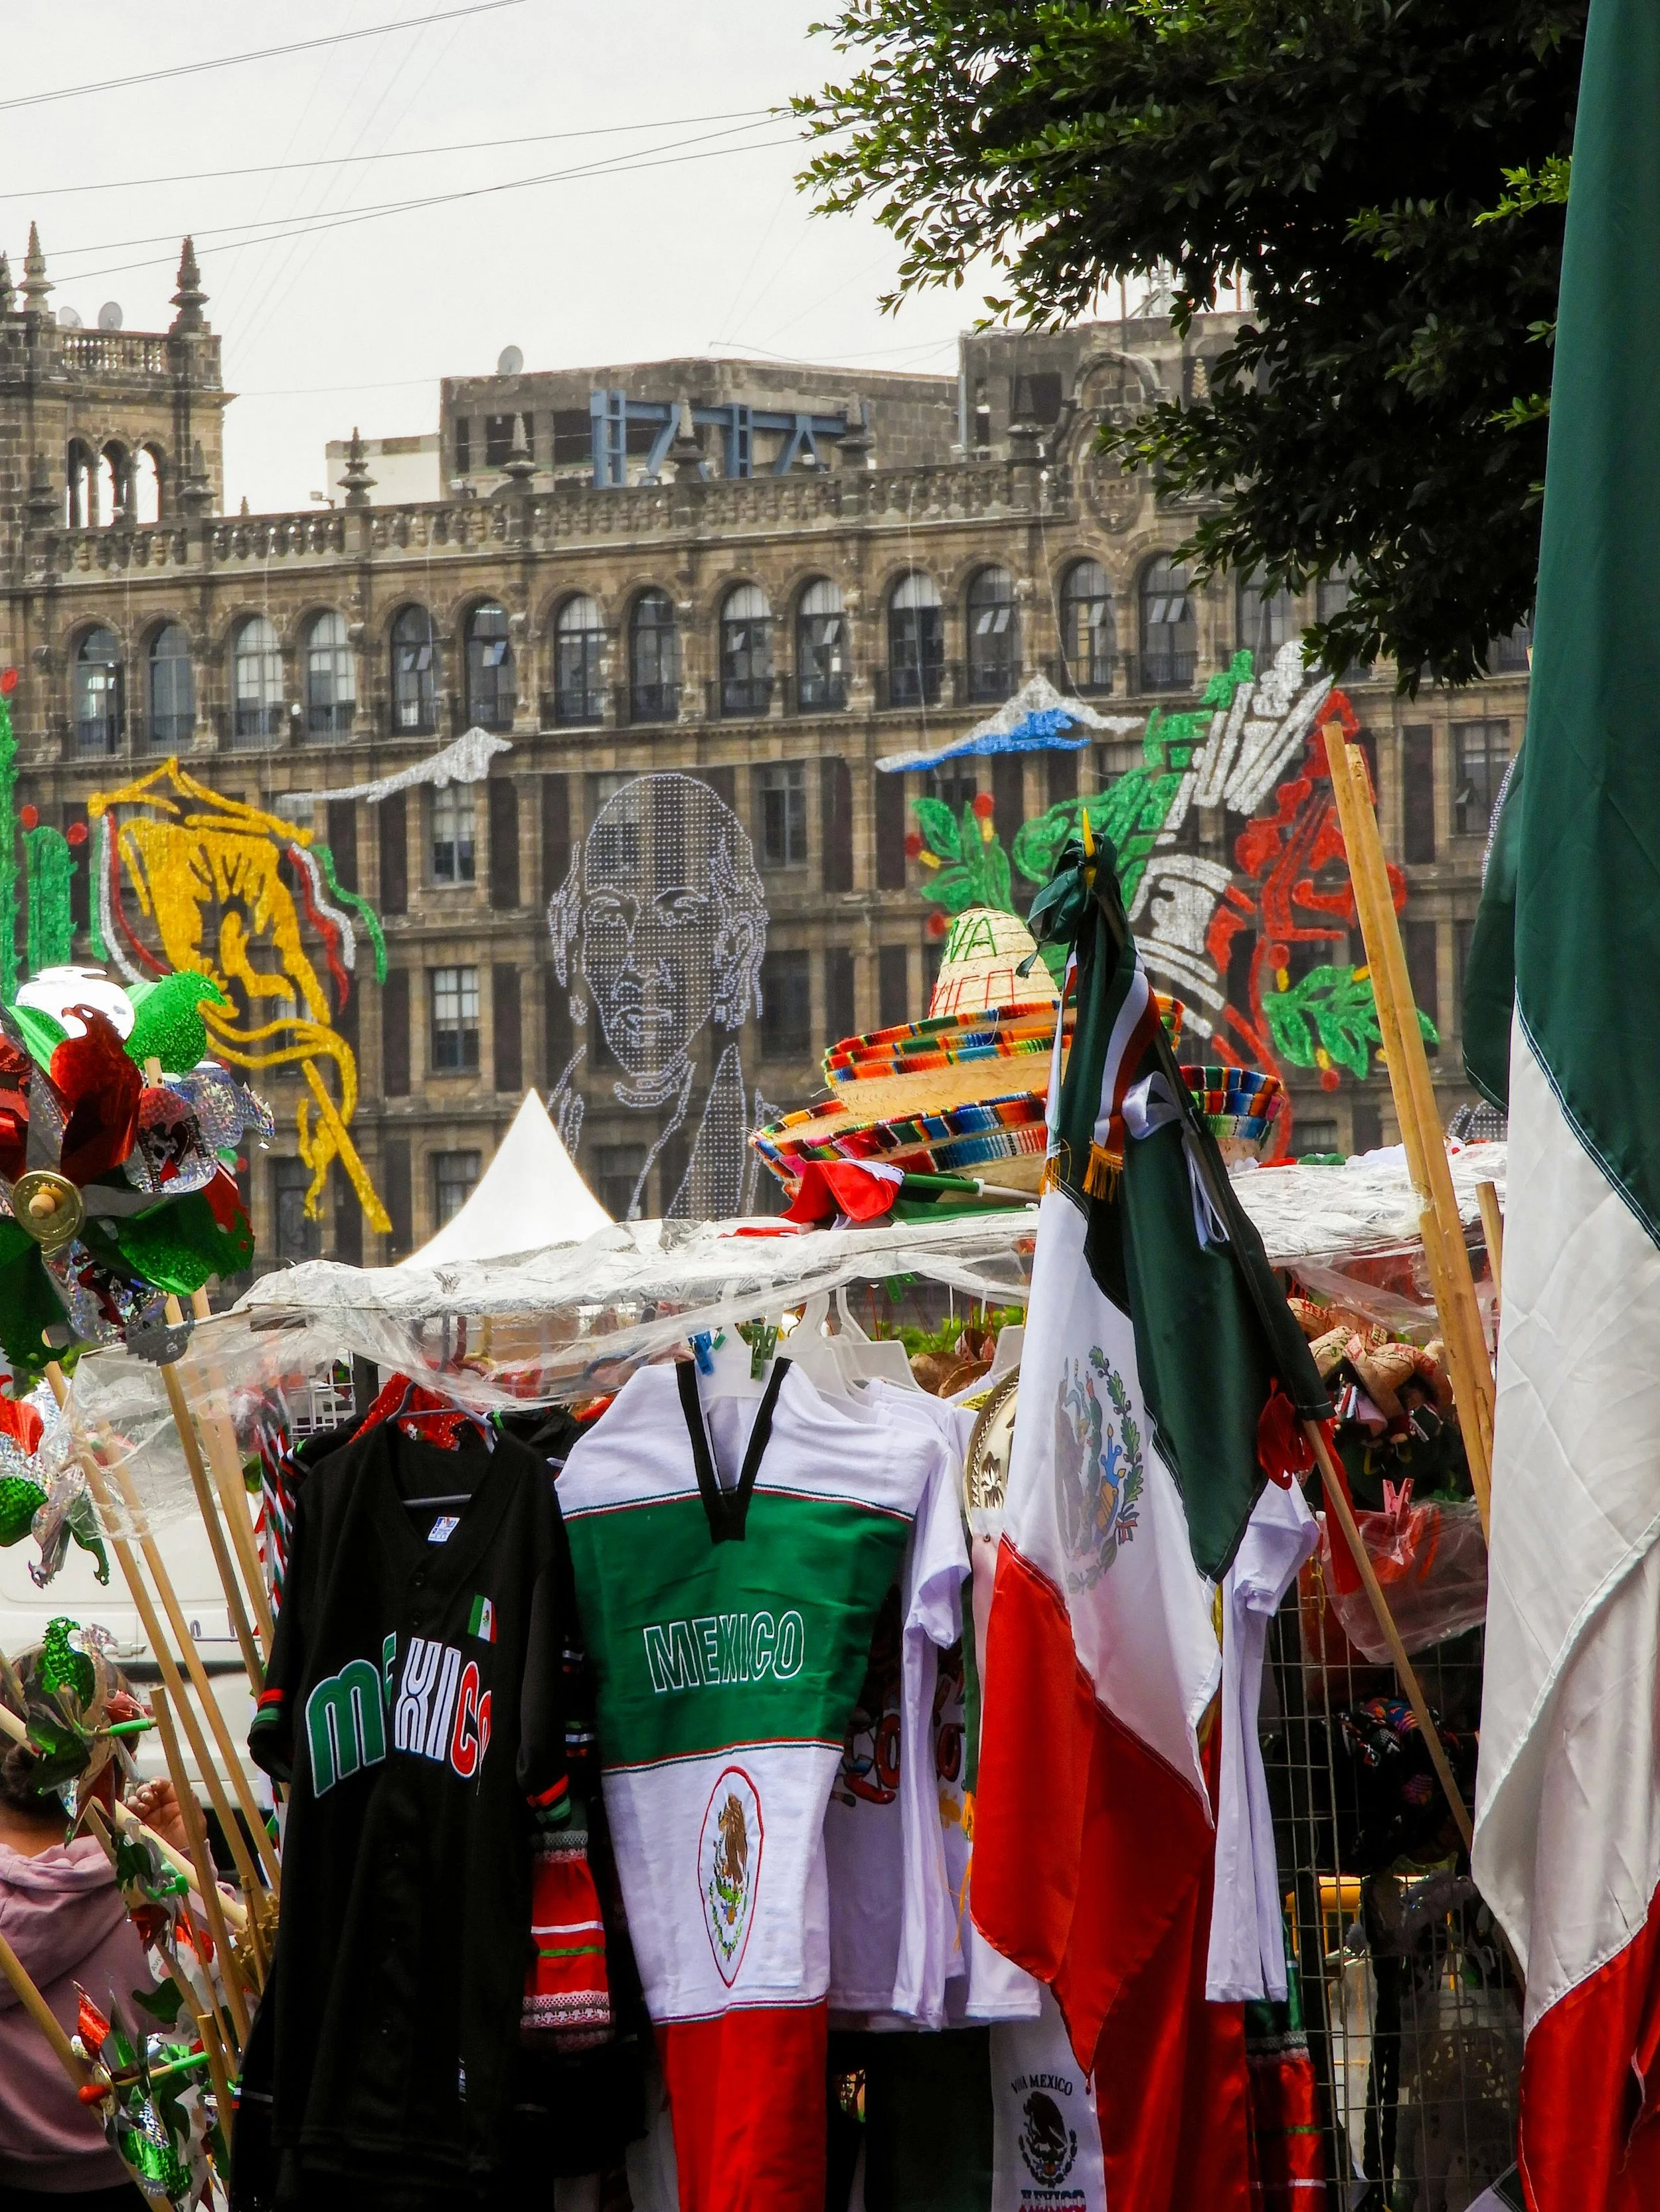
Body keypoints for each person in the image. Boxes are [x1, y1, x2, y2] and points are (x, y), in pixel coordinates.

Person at [0, 1639, 191, 2212]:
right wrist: (186, 1867)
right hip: (146, 2183)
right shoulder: (168, 1897)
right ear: (122, 1755)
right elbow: (229, 2016)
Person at [546, 771, 774, 1218]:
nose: (637, 965)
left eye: (678, 916)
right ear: (572, 948)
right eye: (609, 919)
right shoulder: (551, 1130)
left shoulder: (774, 1132)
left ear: (737, 945)